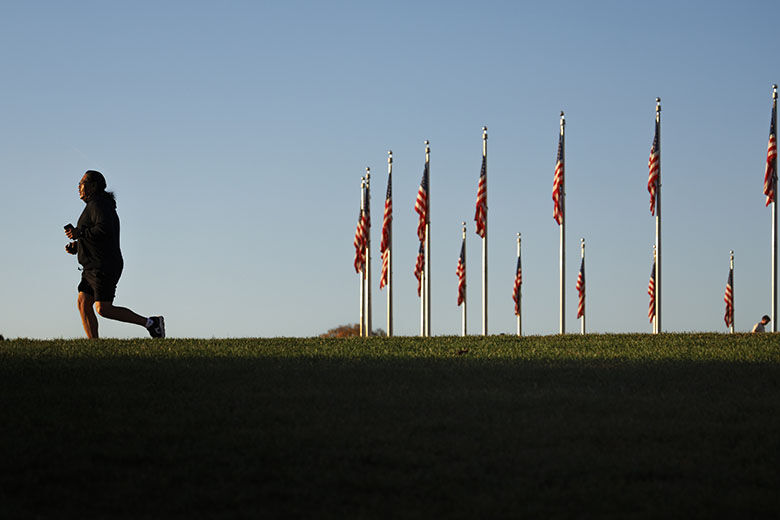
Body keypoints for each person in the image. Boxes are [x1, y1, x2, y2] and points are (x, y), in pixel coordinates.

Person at [65, 170, 165, 338]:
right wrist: (78, 246)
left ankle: (151, 323)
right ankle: (94, 346)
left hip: (104, 265)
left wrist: (79, 233)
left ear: (93, 186)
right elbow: (95, 235)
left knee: (103, 309)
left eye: (82, 183)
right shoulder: (95, 205)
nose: (79, 187)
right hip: (91, 266)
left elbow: (104, 230)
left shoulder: (99, 204)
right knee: (83, 303)